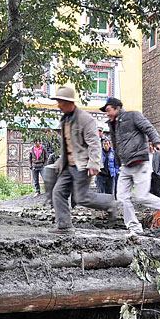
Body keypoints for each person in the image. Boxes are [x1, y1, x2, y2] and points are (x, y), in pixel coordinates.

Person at [50, 86, 119, 234]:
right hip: (68, 165)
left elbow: (94, 143)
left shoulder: (85, 120)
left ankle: (110, 202)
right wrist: (59, 163)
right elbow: (68, 146)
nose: (58, 105)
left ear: (69, 102)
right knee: (58, 192)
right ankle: (65, 226)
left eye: (60, 102)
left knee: (81, 197)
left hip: (82, 165)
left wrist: (94, 163)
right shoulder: (64, 120)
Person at [102, 97, 160, 234]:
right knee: (122, 198)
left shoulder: (133, 116)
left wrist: (156, 141)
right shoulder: (113, 125)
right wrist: (118, 162)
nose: (107, 114)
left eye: (108, 110)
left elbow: (148, 128)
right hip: (125, 166)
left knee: (141, 197)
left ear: (117, 108)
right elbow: (117, 145)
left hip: (140, 162)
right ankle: (134, 228)